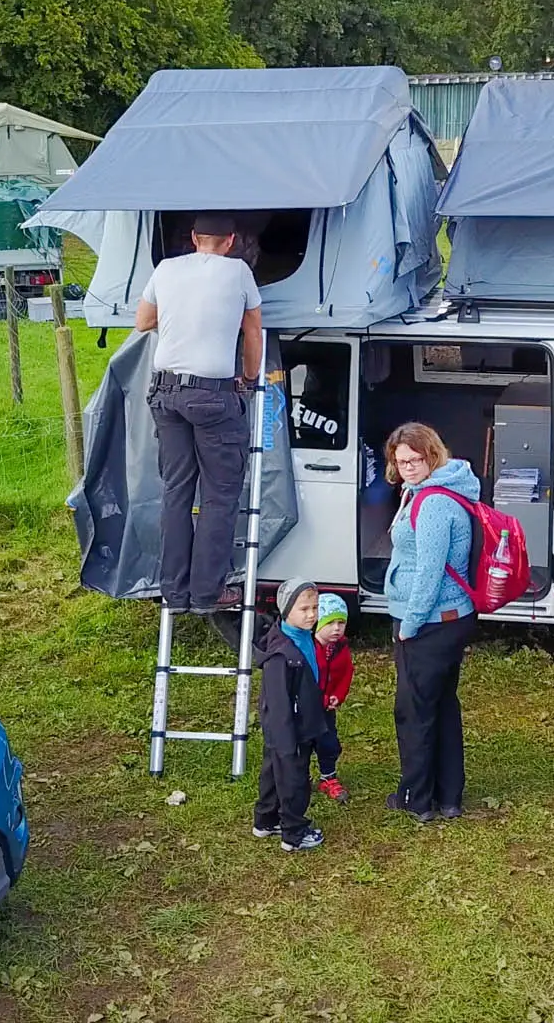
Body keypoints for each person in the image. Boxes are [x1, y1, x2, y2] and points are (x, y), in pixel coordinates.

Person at [134, 213, 263, 613]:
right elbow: (253, 330)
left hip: (166, 393)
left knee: (176, 492)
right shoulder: (239, 272)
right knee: (219, 497)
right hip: (212, 396)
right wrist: (249, 376)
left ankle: (174, 592)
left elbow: (143, 322)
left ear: (193, 238)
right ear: (231, 241)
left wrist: (182, 313)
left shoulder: (166, 269)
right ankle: (207, 593)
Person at [382, 422, 480, 822]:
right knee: (441, 704)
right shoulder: (441, 488)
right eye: (400, 461)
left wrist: (410, 625)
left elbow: (430, 571)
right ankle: (448, 795)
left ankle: (417, 799)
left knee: (414, 712)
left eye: (414, 460)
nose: (406, 467)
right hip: (451, 617)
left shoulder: (435, 502)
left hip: (430, 621)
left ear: (432, 455)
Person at [253, 578, 330, 852]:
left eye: (315, 608)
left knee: (274, 772)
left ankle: (266, 820)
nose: (312, 615)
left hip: (296, 722)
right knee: (293, 779)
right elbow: (278, 702)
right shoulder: (281, 655)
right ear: (286, 610)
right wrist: (286, 739)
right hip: (290, 728)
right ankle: (293, 833)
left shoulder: (301, 636)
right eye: (304, 609)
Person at [310, 593, 354, 804]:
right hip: (308, 707)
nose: (336, 628)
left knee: (328, 742)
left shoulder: (341, 648)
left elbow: (346, 673)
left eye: (341, 623)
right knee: (302, 743)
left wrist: (338, 695)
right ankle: (299, 777)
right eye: (330, 623)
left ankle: (328, 777)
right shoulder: (308, 647)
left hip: (327, 709)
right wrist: (321, 696)